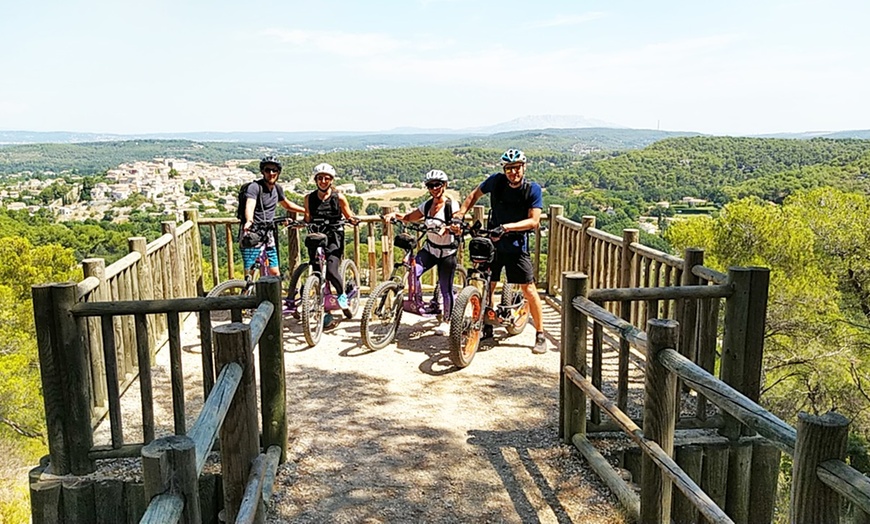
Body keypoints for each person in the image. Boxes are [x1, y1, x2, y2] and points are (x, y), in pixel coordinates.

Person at [453, 148, 547, 354]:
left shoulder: (532, 189)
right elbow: (473, 195)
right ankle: (486, 323)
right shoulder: (495, 181)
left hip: (516, 245)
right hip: (493, 243)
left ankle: (540, 334)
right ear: (504, 169)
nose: (513, 172)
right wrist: (461, 213)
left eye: (517, 168)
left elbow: (534, 220)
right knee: (488, 283)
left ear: (524, 167)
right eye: (509, 168)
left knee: (528, 289)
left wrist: (506, 227)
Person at [385, 169, 461, 336]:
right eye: (430, 185)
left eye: (437, 185)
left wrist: (449, 228)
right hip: (430, 249)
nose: (434, 188)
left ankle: (447, 321)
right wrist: (395, 215)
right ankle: (419, 302)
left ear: (445, 185)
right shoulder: (427, 205)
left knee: (445, 287)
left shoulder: (451, 205)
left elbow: (457, 222)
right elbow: (410, 217)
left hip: (447, 252)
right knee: (413, 270)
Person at [304, 163, 359, 320]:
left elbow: (348, 216)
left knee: (331, 270)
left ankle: (342, 295)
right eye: (320, 178)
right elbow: (307, 218)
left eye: (326, 178)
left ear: (331, 180)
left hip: (334, 236)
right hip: (316, 237)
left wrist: (353, 221)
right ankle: (323, 302)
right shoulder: (309, 198)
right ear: (315, 180)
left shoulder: (339, 198)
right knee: (316, 270)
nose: (323, 181)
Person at [240, 156, 305, 276]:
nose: (271, 173)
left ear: (278, 172)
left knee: (274, 272)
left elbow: (287, 204)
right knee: (251, 271)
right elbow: (250, 204)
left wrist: (306, 211)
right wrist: (249, 220)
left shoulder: (277, 189)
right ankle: (247, 293)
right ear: (262, 172)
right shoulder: (254, 187)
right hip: (252, 231)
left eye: (274, 170)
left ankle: (273, 294)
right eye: (267, 170)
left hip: (268, 233)